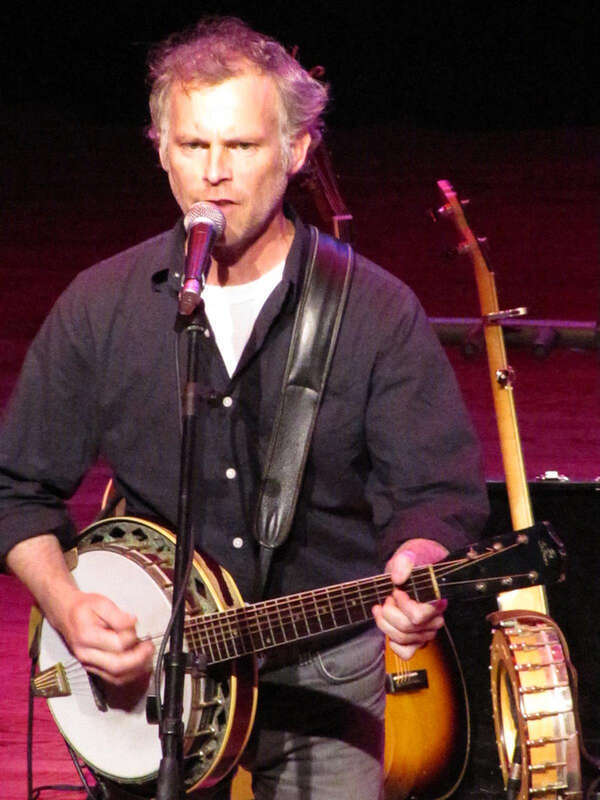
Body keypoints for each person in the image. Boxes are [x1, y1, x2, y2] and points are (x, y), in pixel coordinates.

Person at [0, 16, 488, 800]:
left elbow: (436, 493)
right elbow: (16, 489)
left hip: (326, 671)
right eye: (193, 145)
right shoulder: (102, 305)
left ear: (296, 153)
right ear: (161, 149)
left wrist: (420, 562)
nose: (214, 173)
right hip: (153, 685)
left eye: (242, 145)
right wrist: (69, 606)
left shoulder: (376, 311)